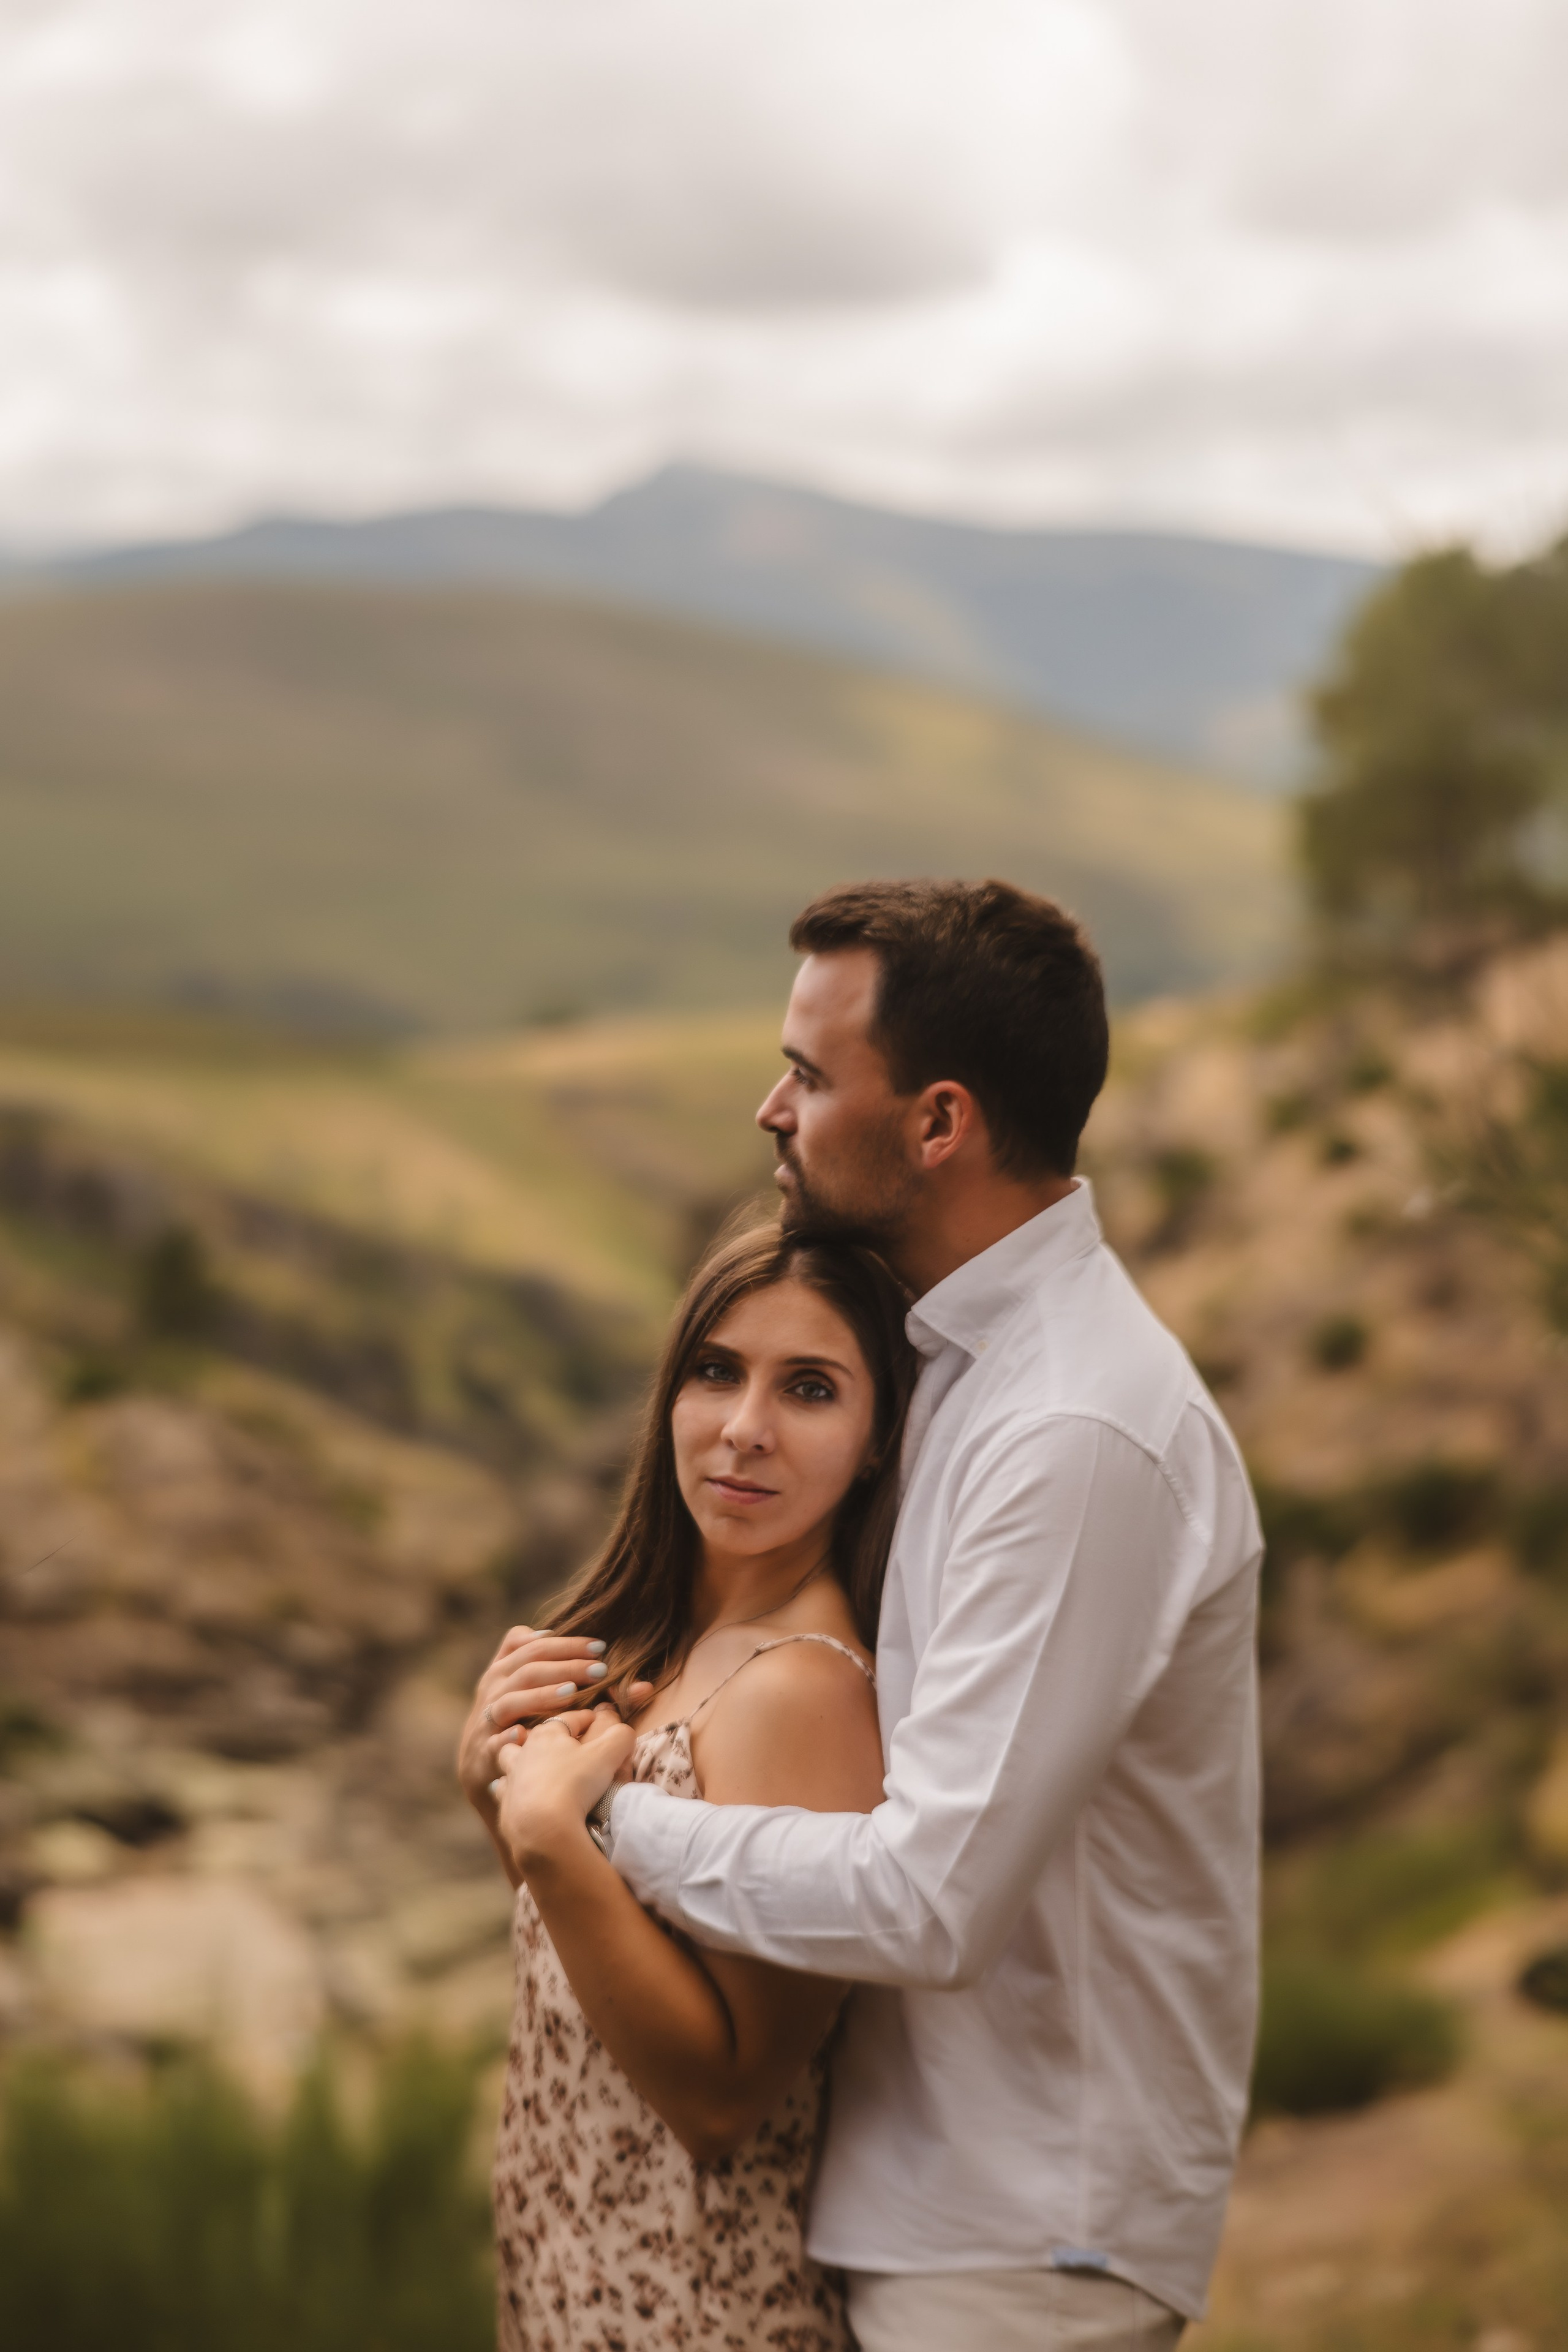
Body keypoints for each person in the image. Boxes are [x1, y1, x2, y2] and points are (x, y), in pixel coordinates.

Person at [482, 876, 1264, 2352]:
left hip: (1025, 2233)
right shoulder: (956, 1368)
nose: (770, 1109)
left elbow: (929, 1897)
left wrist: (600, 1822)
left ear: (937, 1122)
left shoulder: (1073, 1427)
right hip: (922, 2204)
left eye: (807, 1073)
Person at [458, 1220, 918, 2351]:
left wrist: (548, 1833)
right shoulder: (660, 1649)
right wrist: (496, 1802)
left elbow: (723, 2098)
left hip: (695, 2312)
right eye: (717, 1371)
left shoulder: (797, 1688)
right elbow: (610, 1980)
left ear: (875, 1442)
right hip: (572, 2295)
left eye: (810, 1388)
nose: (745, 1428)